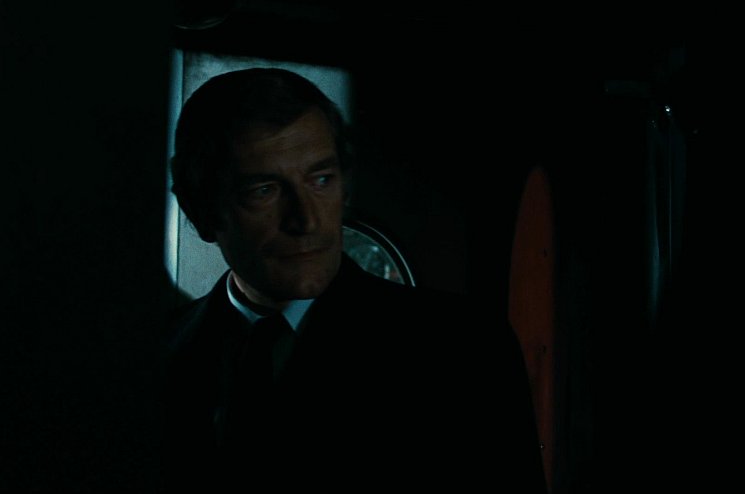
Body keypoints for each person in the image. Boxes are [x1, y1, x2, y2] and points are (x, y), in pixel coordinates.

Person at [162, 67, 547, 493]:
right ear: (201, 212)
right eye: (264, 190)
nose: (306, 221)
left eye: (321, 180)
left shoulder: (462, 347)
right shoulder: (153, 356)